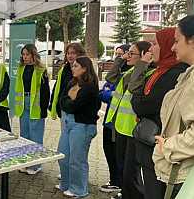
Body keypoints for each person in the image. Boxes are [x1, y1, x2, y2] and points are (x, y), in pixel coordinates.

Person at [128, 28, 188, 199]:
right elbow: (137, 93)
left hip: (159, 143)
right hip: (148, 140)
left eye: (155, 44)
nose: (151, 49)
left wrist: (138, 100)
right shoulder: (160, 70)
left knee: (153, 190)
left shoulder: (175, 73)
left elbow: (144, 105)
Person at [105, 41, 154, 199]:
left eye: (131, 53)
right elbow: (110, 77)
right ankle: (124, 193)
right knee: (122, 167)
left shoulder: (146, 73)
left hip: (132, 129)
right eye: (128, 53)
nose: (128, 56)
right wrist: (120, 59)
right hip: (119, 125)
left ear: (144, 56)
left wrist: (142, 64)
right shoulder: (131, 70)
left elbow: (133, 87)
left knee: (130, 172)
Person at [152, 15, 194, 199]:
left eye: (177, 40)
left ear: (192, 40)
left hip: (185, 176)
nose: (172, 47)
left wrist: (168, 146)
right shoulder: (189, 73)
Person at [56, 56, 100, 198]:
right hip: (69, 123)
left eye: (76, 66)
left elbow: (74, 106)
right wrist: (69, 100)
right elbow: (62, 101)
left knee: (77, 159)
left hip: (82, 126)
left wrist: (69, 102)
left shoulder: (90, 87)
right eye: (72, 65)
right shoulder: (71, 83)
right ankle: (66, 183)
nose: (72, 68)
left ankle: (79, 190)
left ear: (85, 68)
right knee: (63, 155)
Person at [14, 44, 50, 175]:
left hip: (36, 107)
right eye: (23, 54)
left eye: (27, 54)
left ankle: (36, 166)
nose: (25, 57)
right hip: (23, 105)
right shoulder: (21, 68)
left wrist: (44, 109)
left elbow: (46, 91)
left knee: (36, 136)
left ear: (33, 55)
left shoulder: (41, 69)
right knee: (25, 136)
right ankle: (26, 163)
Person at [99, 44, 130, 193]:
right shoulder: (118, 73)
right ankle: (114, 180)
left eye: (120, 54)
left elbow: (110, 88)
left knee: (118, 155)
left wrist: (110, 94)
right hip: (109, 120)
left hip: (121, 123)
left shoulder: (130, 74)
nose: (117, 57)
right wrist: (110, 94)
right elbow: (103, 91)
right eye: (116, 54)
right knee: (109, 151)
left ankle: (119, 183)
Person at [49, 43, 86, 120]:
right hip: (63, 110)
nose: (70, 56)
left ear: (80, 54)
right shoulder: (63, 70)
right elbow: (57, 88)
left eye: (73, 53)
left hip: (77, 113)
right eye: (68, 53)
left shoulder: (84, 71)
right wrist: (53, 104)